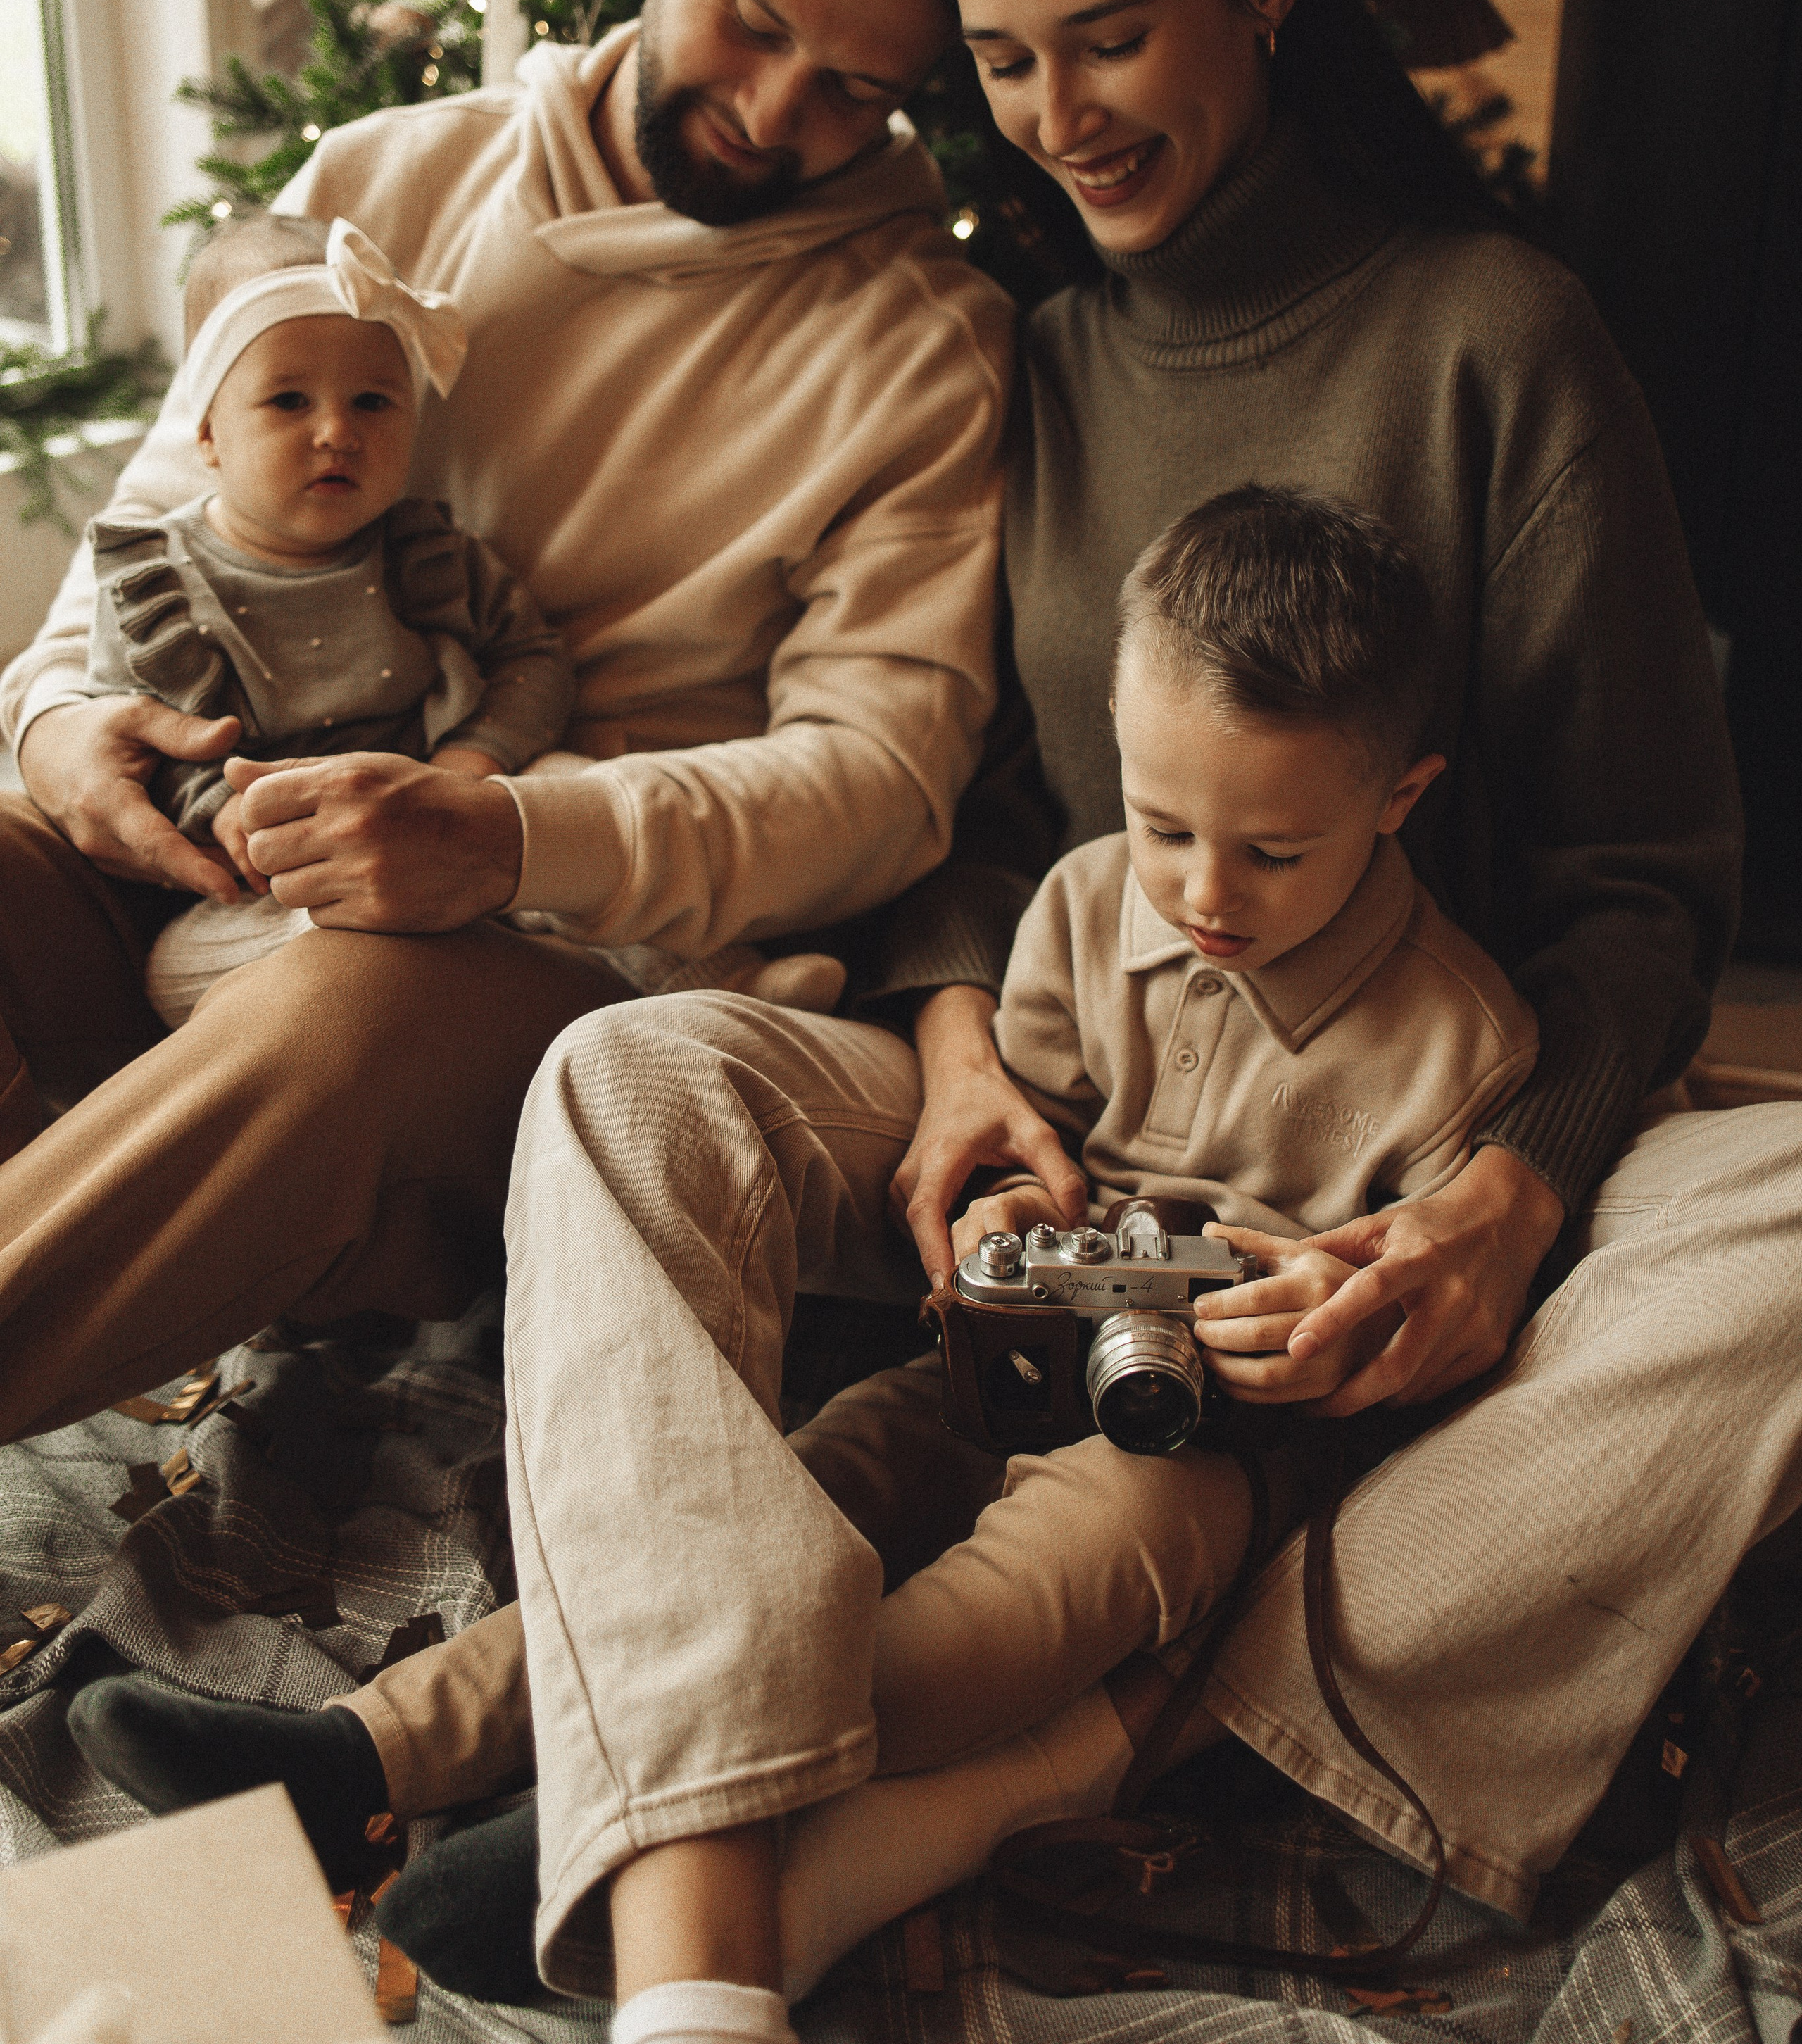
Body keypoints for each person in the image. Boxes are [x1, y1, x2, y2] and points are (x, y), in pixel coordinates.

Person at [61, 0, 1801, 2044]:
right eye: (1000, 63)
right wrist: (971, 1064)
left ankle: (1074, 1747)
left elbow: (1645, 886)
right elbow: (968, 813)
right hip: (1067, 1096)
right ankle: (731, 1900)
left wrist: (1499, 1203)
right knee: (630, 1077)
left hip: (1404, 1137)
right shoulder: (1034, 353)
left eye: (1111, 36)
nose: (1059, 115)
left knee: (1787, 1216)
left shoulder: (1495, 339)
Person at [70, 484, 1546, 2000]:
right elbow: (1027, 1130)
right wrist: (1007, 1216)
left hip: (1194, 1458)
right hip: (1000, 1362)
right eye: (1163, 825)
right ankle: (364, 1750)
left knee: (995, 1626)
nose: (1204, 893)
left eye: (1274, 854)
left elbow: (1430, 1348)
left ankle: (647, 1811)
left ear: (1399, 798)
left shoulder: (1461, 1042)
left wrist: (1307, 1333)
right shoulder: (1089, 902)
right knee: (789, 1508)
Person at [0, 0, 1012, 1438]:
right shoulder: (380, 182)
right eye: (752, 20)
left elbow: (880, 786)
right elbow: (134, 554)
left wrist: (509, 834)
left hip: (551, 957)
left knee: (349, 1009)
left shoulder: (922, 349)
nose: (772, 111)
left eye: (858, 87)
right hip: (220, 856)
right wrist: (57, 728)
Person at [89, 213, 572, 1027]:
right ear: (207, 435)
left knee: (572, 799)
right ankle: (447, 966)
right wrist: (221, 813)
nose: (338, 433)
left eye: (373, 402)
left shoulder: (430, 553)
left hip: (453, 827)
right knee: (177, 972)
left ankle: (708, 977)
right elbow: (137, 745)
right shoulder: (155, 587)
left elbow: (535, 659)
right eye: (288, 400)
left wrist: (474, 760)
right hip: (282, 881)